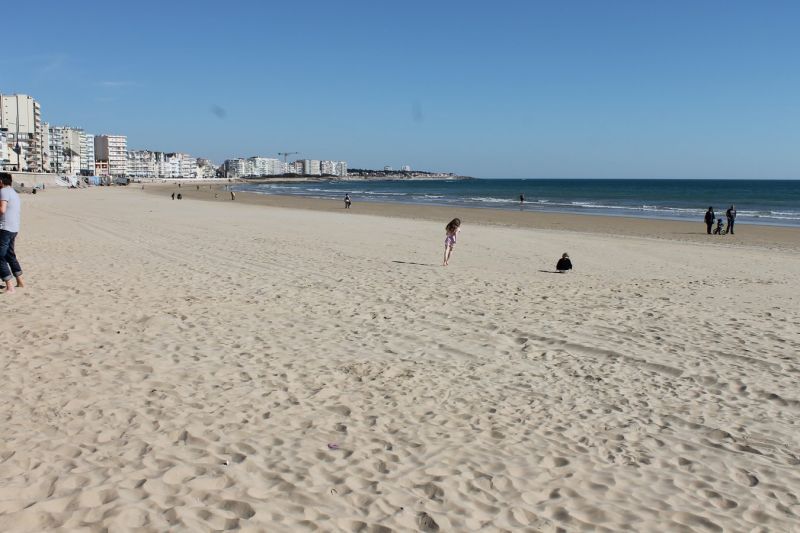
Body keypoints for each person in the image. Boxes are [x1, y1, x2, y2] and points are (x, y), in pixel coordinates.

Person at [0, 173, 25, 294]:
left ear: (1, 181)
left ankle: (9, 286)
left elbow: (2, 209)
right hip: (14, 228)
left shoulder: (3, 191)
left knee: (0, 256)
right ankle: (20, 281)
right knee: (10, 255)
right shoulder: (13, 192)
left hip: (5, 228)